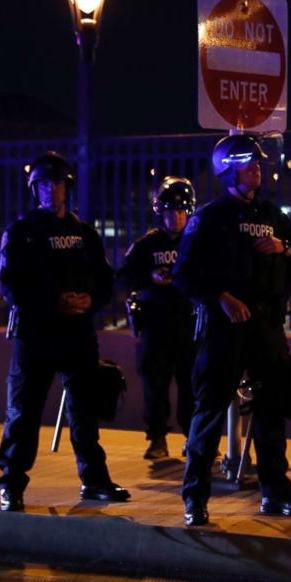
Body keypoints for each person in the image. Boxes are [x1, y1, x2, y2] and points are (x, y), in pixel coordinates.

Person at [172, 133, 291, 527]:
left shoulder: (272, 216)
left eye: (259, 165)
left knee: (272, 409)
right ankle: (195, 498)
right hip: (225, 327)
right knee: (211, 409)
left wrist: (282, 249)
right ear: (228, 169)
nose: (257, 171)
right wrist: (220, 296)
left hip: (267, 325)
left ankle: (276, 493)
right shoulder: (209, 216)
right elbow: (183, 275)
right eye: (249, 164)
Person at [0, 151, 129, 511]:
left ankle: (95, 481)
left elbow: (105, 280)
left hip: (78, 334)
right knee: (23, 413)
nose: (51, 190)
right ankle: (11, 484)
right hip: (36, 335)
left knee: (85, 412)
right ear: (33, 188)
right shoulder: (21, 232)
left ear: (67, 187)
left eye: (57, 183)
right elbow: (10, 287)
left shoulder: (84, 232)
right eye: (43, 184)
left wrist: (90, 301)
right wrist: (54, 303)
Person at [117, 176, 197, 460]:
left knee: (192, 384)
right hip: (155, 324)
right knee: (155, 385)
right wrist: (148, 278)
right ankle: (157, 439)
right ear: (159, 213)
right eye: (169, 211)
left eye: (180, 211)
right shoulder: (146, 246)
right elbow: (123, 277)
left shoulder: (197, 243)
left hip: (190, 324)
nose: (175, 217)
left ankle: (194, 439)